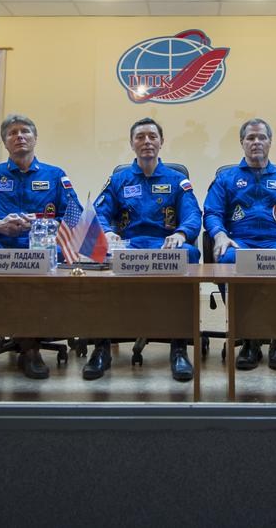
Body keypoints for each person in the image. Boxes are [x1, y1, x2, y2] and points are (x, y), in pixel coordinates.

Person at [0, 114, 80, 380]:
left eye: (25, 132)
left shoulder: (55, 175)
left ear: (35, 139)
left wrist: (40, 222)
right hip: (0, 246)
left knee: (50, 255)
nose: (19, 136)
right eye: (12, 133)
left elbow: (75, 218)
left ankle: (30, 344)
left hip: (40, 246)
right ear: (5, 141)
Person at [84, 117, 202, 383]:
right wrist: (108, 232)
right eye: (140, 137)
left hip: (164, 245)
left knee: (190, 254)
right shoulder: (118, 179)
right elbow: (100, 213)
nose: (147, 142)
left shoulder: (177, 180)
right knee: (97, 252)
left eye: (152, 137)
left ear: (161, 142)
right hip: (128, 246)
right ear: (132, 143)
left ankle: (179, 348)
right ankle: (100, 348)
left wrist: (181, 234)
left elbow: (193, 214)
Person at [203, 117, 276, 372]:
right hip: (240, 241)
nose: (256, 142)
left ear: (270, 142)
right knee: (228, 259)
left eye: (261, 137)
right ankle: (249, 340)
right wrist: (219, 234)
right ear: (242, 142)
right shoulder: (226, 178)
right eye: (250, 138)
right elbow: (211, 212)